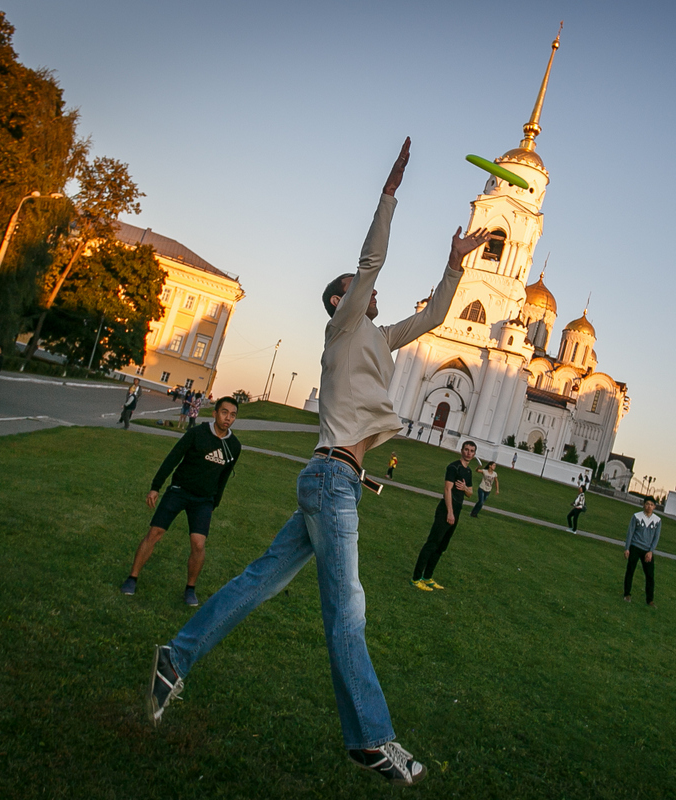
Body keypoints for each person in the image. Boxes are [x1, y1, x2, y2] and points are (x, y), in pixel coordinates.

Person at [144, 139, 489, 787]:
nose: (369, 291)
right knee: (347, 611)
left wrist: (453, 264)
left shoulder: (379, 339)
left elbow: (439, 315)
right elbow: (372, 259)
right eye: (357, 290)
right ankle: (370, 737)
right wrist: (390, 193)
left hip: (328, 481)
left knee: (256, 581)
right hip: (334, 482)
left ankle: (175, 656)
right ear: (340, 301)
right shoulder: (343, 325)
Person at [120, 396, 241, 605]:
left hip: (203, 500)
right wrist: (155, 487)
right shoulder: (196, 433)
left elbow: (223, 478)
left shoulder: (234, 446)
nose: (227, 418)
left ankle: (190, 589)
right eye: (224, 412)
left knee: (198, 543)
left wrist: (214, 503)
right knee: (155, 532)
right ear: (215, 413)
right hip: (179, 491)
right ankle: (132, 578)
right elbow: (173, 458)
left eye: (232, 415)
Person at [412, 441, 476, 589]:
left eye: (471, 451)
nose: (468, 453)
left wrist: (465, 487)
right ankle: (416, 578)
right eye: (466, 449)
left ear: (474, 454)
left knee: (441, 547)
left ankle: (427, 577)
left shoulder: (468, 472)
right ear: (461, 450)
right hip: (446, 510)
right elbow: (447, 490)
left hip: (457, 511)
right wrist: (450, 512)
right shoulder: (453, 467)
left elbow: (470, 493)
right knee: (432, 543)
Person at [623, 497, 662, 607]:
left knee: (650, 576)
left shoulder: (657, 520)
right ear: (644, 505)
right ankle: (627, 594)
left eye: (651, 504)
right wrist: (627, 548)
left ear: (654, 507)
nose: (649, 506)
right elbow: (630, 532)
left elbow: (656, 537)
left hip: (647, 551)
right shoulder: (636, 516)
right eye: (647, 504)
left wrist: (651, 551)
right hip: (635, 547)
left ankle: (650, 600)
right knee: (630, 571)